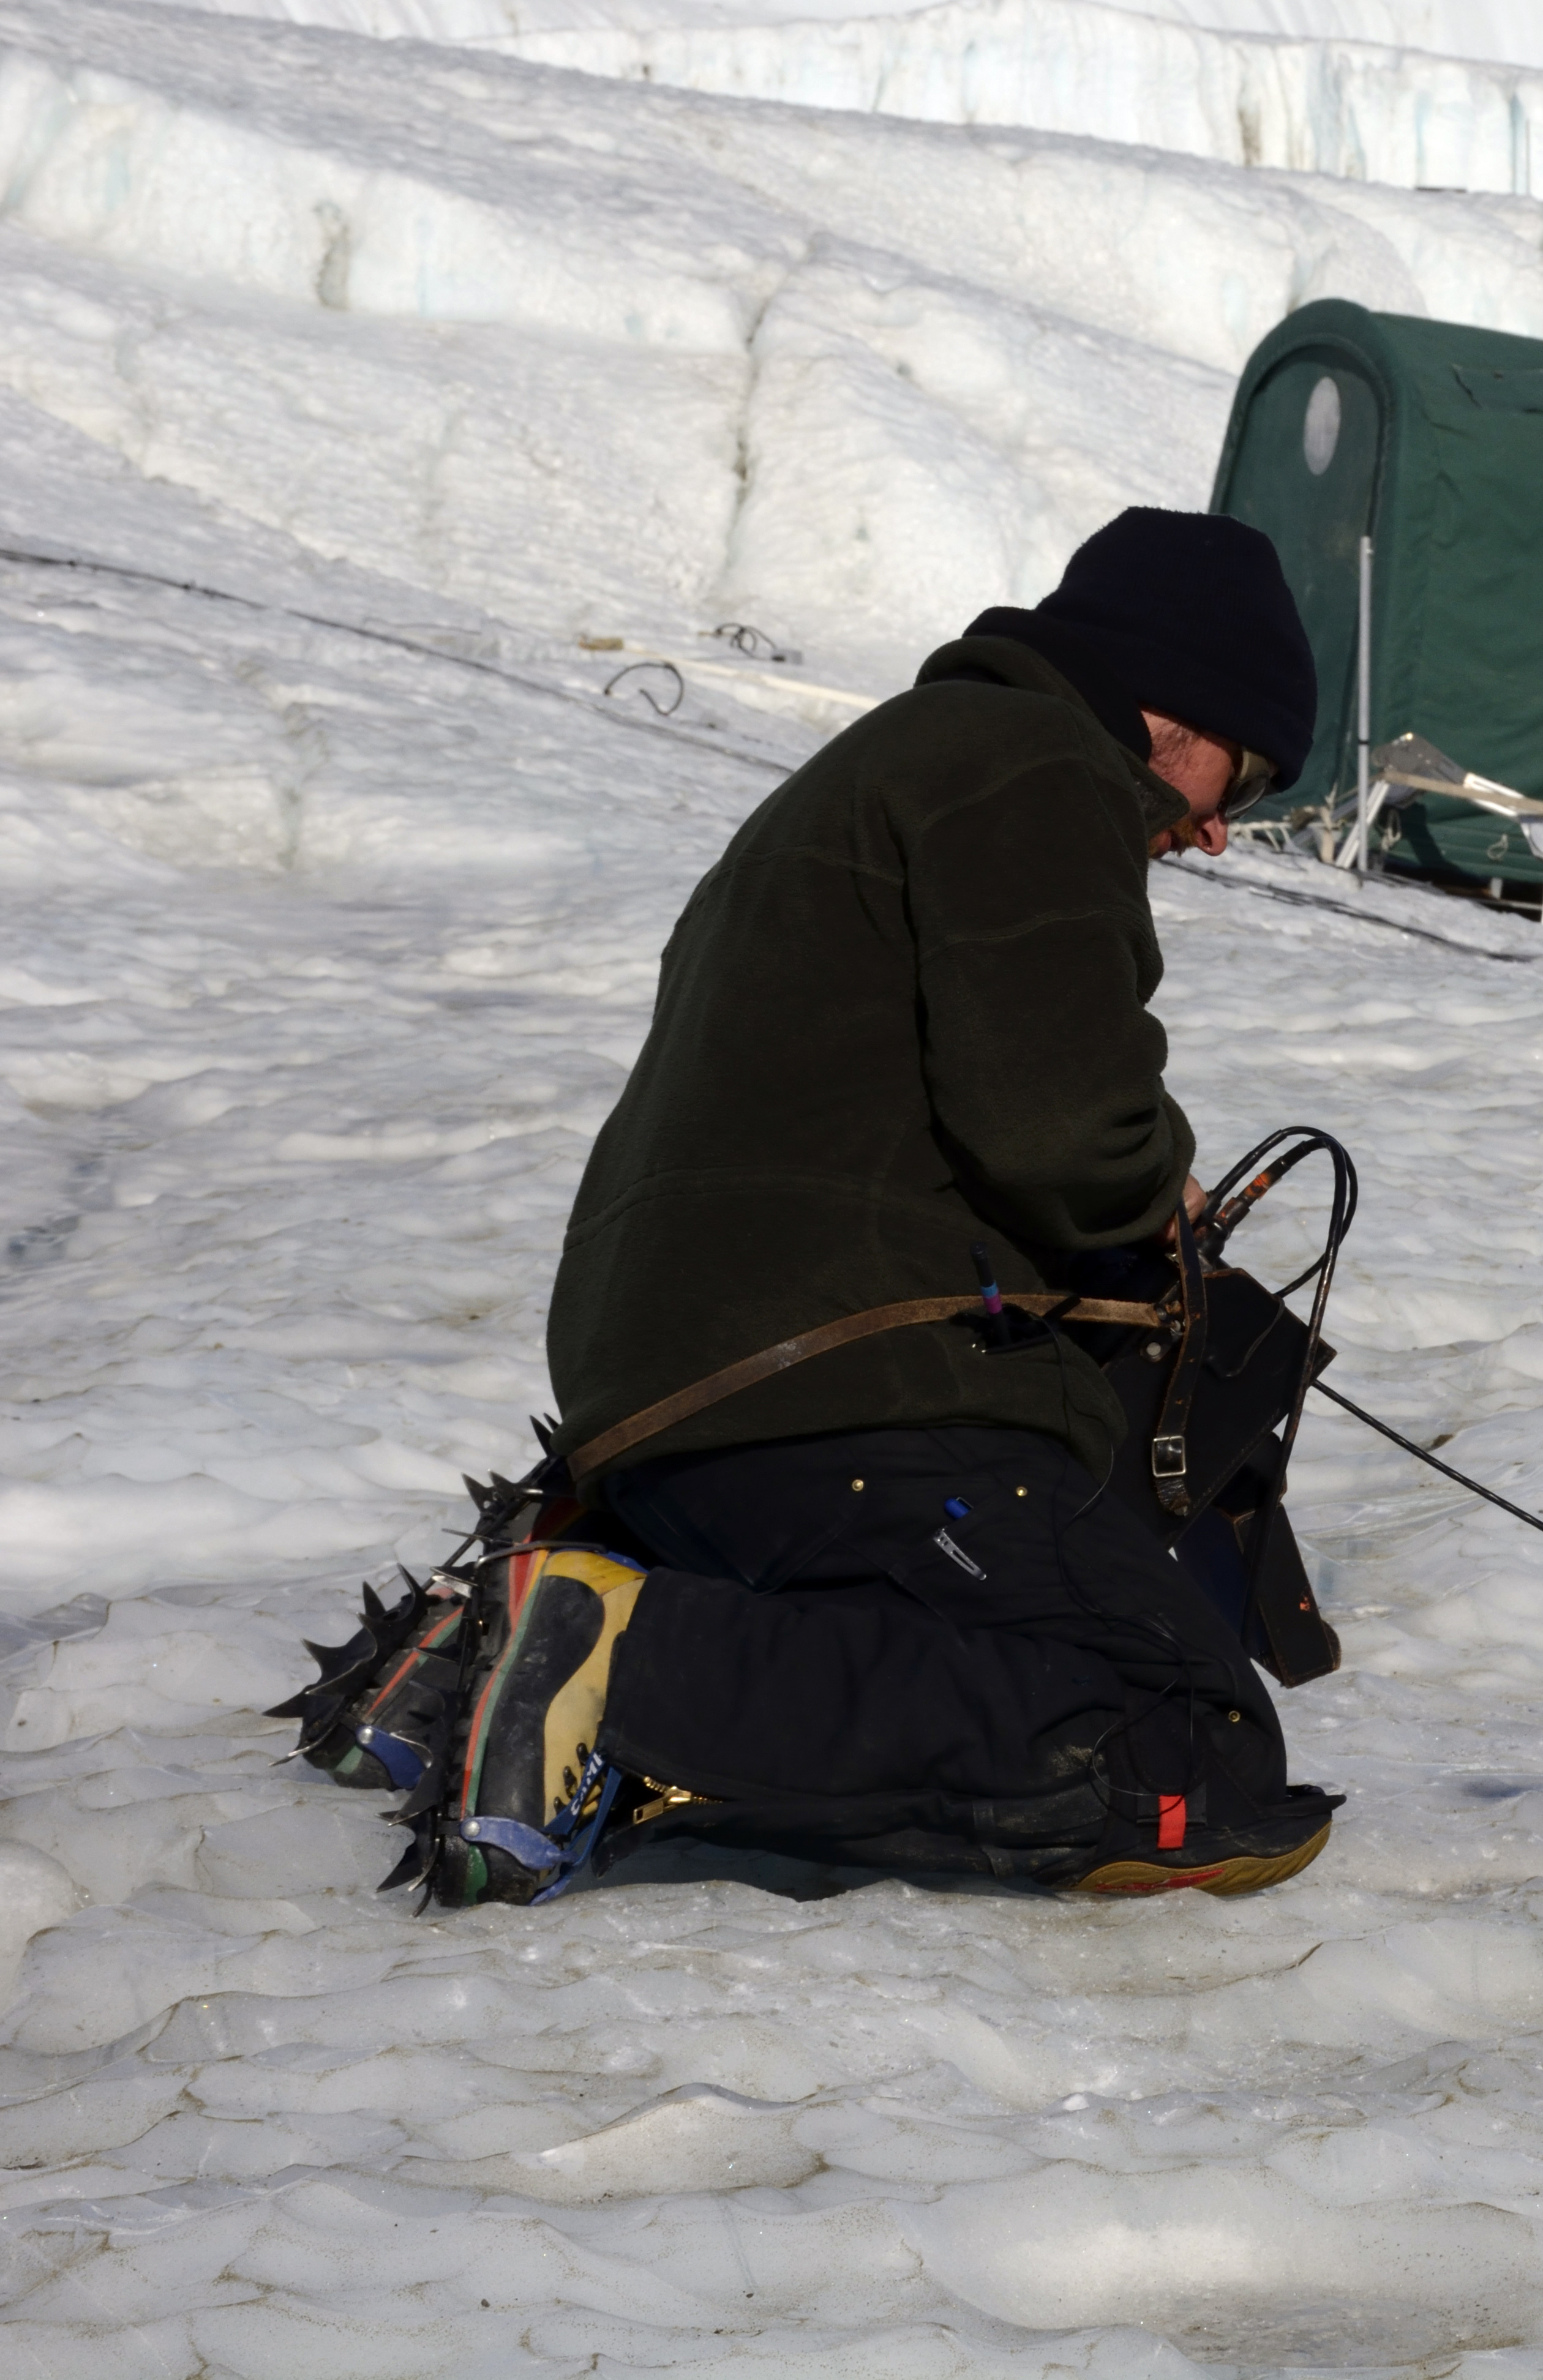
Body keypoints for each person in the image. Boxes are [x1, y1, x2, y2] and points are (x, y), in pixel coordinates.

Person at [303, 507, 1343, 1907]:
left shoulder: (891, 764)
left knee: (1015, 1642)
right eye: (1245, 772)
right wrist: (1154, 1180)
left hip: (678, 1387)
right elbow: (1062, 1127)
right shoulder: (1038, 765)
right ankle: (615, 1660)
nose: (1220, 828)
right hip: (847, 1377)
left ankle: (507, 1633)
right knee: (1180, 1741)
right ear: (1174, 702)